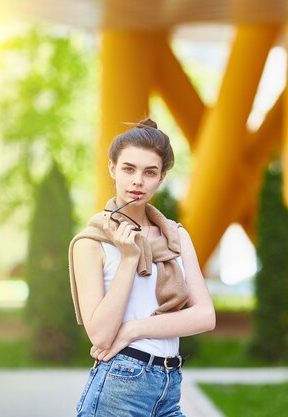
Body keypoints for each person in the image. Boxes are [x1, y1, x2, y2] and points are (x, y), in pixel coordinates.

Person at [69, 118, 215, 417]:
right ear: (113, 169)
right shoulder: (91, 242)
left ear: (161, 178)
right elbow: (100, 335)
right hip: (119, 387)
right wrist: (129, 259)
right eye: (128, 169)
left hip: (168, 386)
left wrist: (133, 329)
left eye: (150, 172)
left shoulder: (175, 236)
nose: (138, 181)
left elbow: (204, 316)